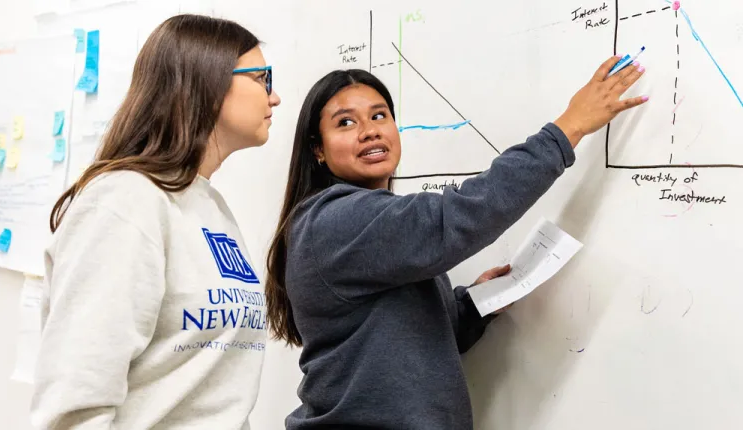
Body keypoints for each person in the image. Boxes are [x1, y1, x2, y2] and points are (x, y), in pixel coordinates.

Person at [266, 57, 647, 429]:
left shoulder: (372, 228)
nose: (369, 130)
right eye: (346, 122)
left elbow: (408, 345)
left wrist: (474, 305)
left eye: (380, 115)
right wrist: (569, 128)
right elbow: (461, 215)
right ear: (318, 149)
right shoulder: (335, 220)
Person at [30, 14, 280, 429]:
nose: (274, 98)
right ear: (209, 81)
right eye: (262, 78)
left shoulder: (210, 205)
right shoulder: (124, 202)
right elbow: (74, 402)